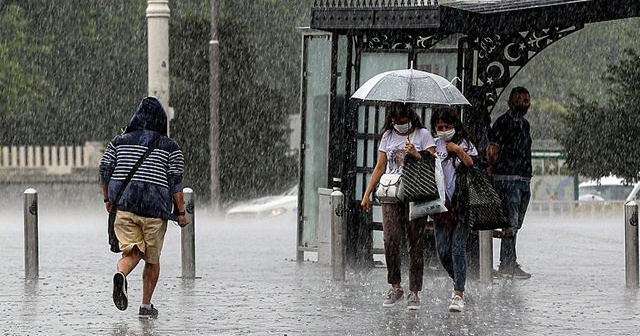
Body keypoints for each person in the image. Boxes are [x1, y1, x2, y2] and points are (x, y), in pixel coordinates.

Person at [99, 96, 189, 318]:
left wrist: (107, 199)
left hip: (125, 207)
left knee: (133, 251)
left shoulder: (118, 141)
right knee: (152, 259)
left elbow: (104, 171)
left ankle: (121, 273)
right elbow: (175, 183)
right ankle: (146, 306)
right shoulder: (170, 147)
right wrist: (181, 212)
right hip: (155, 211)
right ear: (162, 121)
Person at [360, 103, 436, 310]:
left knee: (415, 242)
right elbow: (380, 165)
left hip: (415, 193)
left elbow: (433, 163)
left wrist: (416, 154)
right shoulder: (387, 136)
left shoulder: (423, 135)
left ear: (410, 117)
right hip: (392, 193)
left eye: (403, 121)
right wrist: (367, 193)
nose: (399, 125)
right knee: (390, 239)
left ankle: (414, 290)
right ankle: (395, 285)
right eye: (396, 121)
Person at [429, 106, 477, 313]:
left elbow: (472, 164)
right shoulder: (433, 145)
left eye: (446, 126)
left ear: (454, 126)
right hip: (441, 207)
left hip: (462, 205)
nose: (443, 129)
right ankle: (459, 278)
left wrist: (457, 150)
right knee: (443, 251)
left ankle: (459, 293)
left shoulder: (464, 143)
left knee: (457, 247)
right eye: (439, 126)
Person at [487, 86, 532, 279]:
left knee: (516, 223)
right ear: (510, 102)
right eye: (520, 100)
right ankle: (507, 264)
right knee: (510, 223)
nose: (524, 104)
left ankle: (509, 261)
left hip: (523, 179)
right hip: (507, 179)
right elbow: (492, 150)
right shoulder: (502, 123)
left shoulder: (525, 125)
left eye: (526, 100)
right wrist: (493, 169)